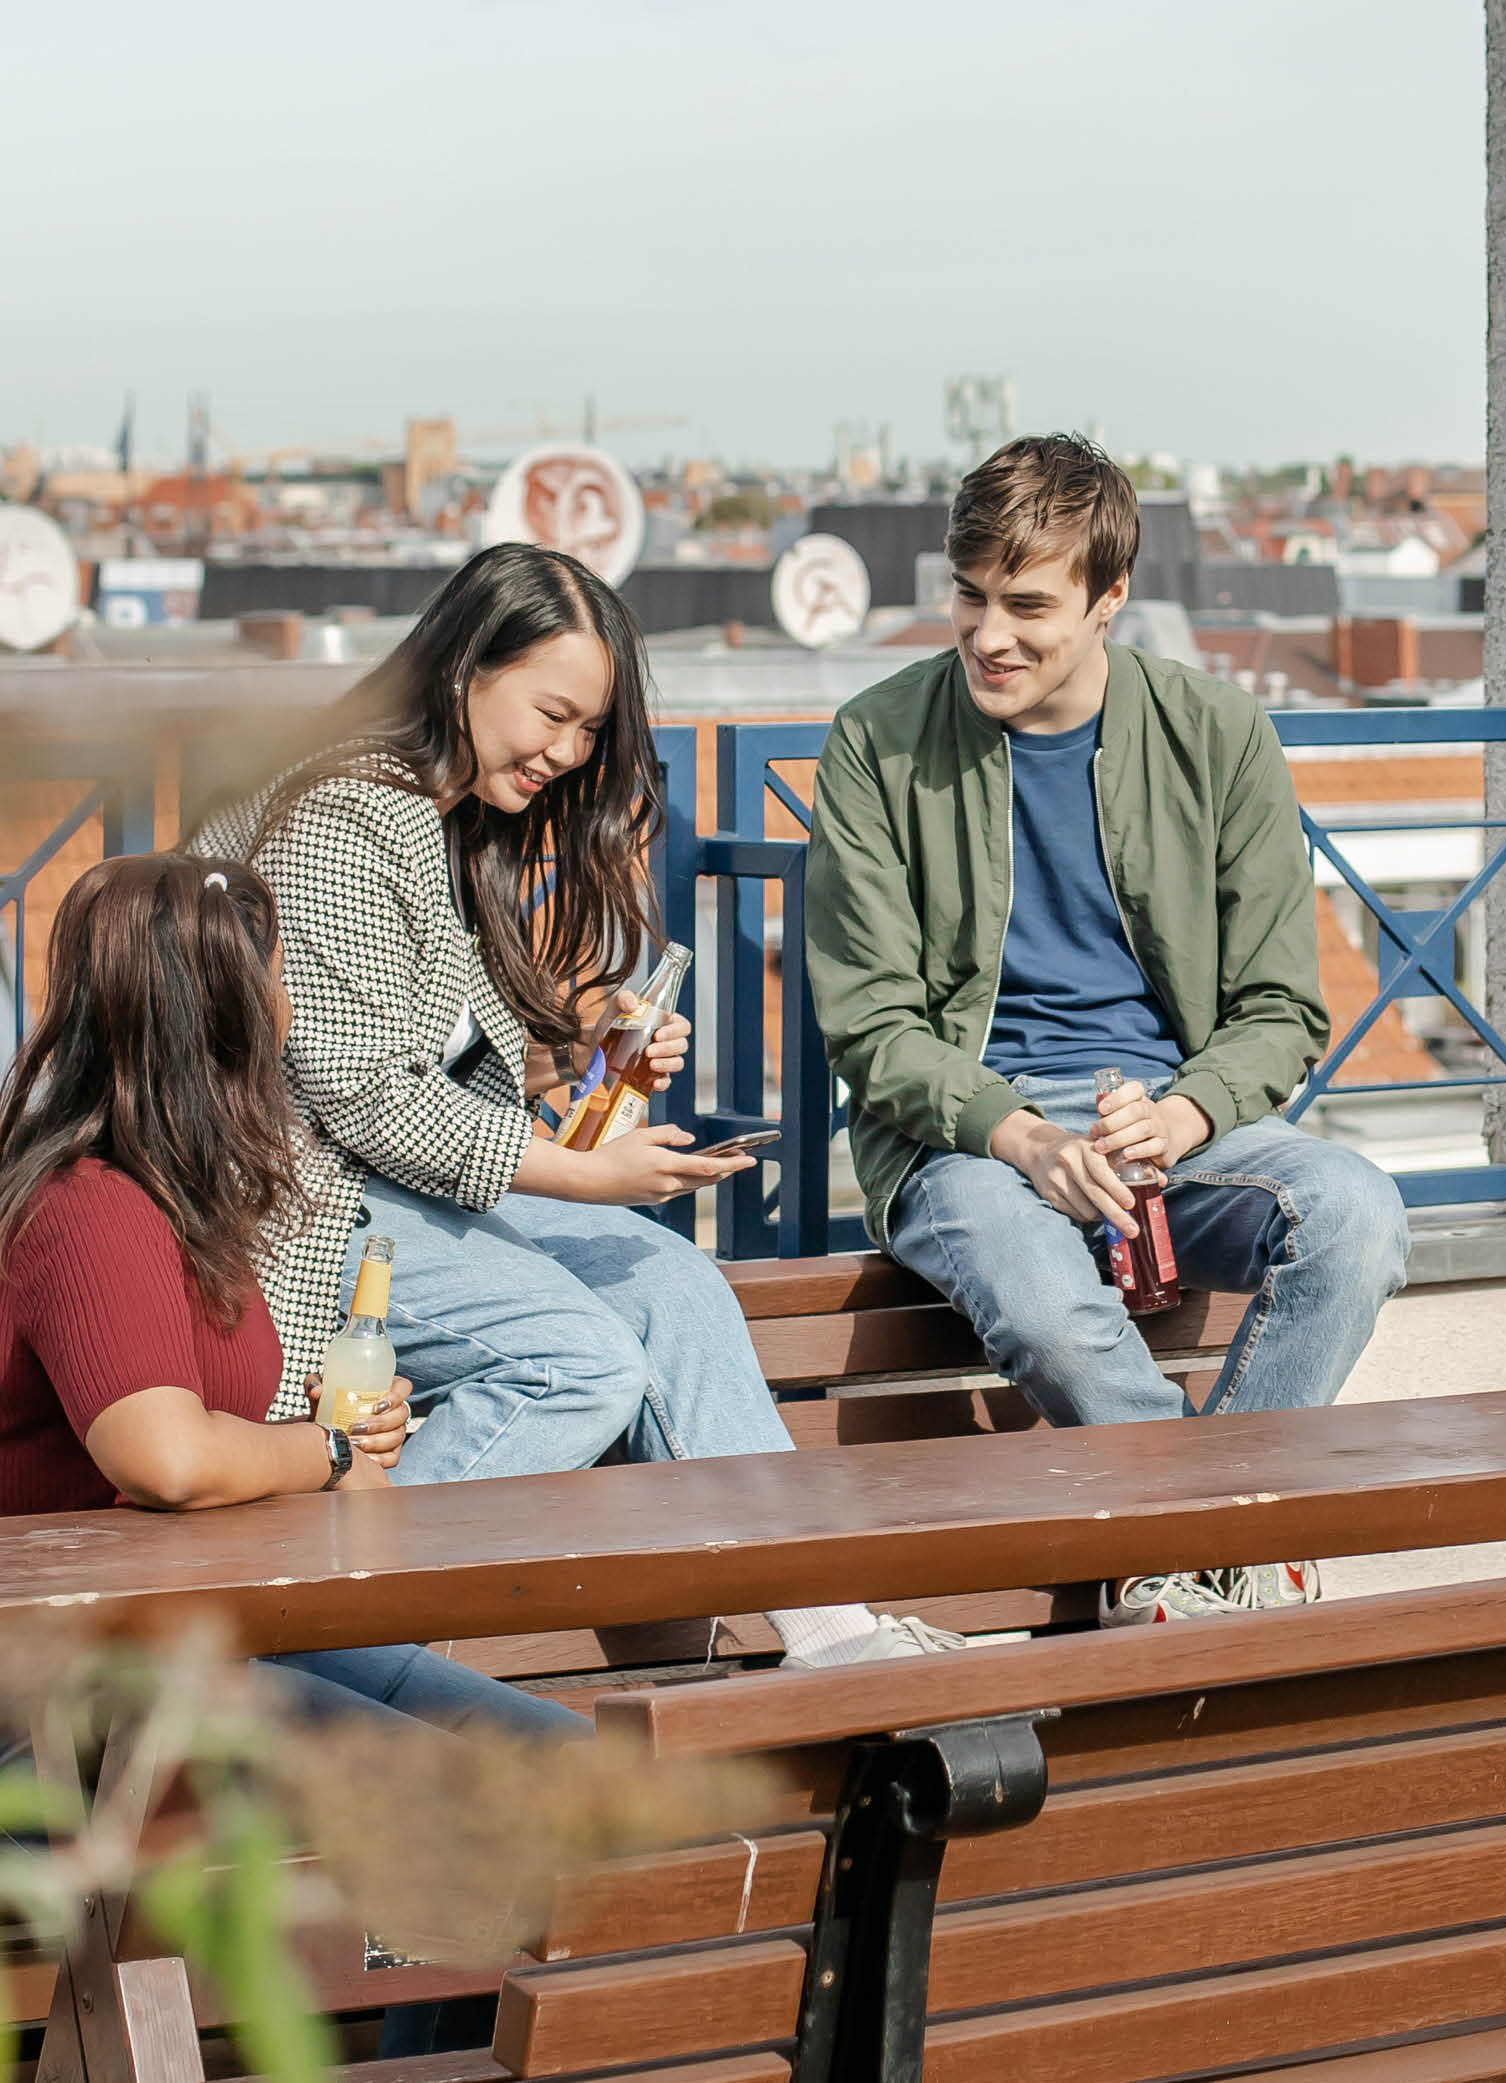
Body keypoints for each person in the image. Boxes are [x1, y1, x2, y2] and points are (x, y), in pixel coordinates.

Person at [195, 544, 954, 1670]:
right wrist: (590, 1174)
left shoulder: (430, 807)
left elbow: (411, 1047)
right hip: (296, 1211)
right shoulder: (353, 813)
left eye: (589, 730)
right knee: (580, 1360)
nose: (565, 752)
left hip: (375, 1189)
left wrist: (568, 1046)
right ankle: (319, 1611)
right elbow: (363, 1102)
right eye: (553, 713)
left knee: (676, 1282)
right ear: (464, 668)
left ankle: (830, 1629)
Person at [804, 434, 1410, 1626]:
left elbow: (1283, 1006)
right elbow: (870, 1024)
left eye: (1027, 604)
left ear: (1109, 598)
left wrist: (1184, 1109)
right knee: (1037, 1303)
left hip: (1166, 1129)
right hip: (968, 1141)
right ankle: (1227, 1541)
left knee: (1358, 1213)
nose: (988, 635)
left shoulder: (1217, 731)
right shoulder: (875, 742)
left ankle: (1191, 1562)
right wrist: (1020, 1135)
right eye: (969, 597)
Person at [0, 854, 584, 1743]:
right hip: (83, 1686)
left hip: (204, 1629)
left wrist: (337, 1436)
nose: (293, 1007)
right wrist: (330, 1448)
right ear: (230, 1014)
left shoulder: (180, 1194)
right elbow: (169, 1461)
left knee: (567, 1754)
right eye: (278, 977)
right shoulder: (85, 1206)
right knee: (485, 1799)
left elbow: (235, 1457)